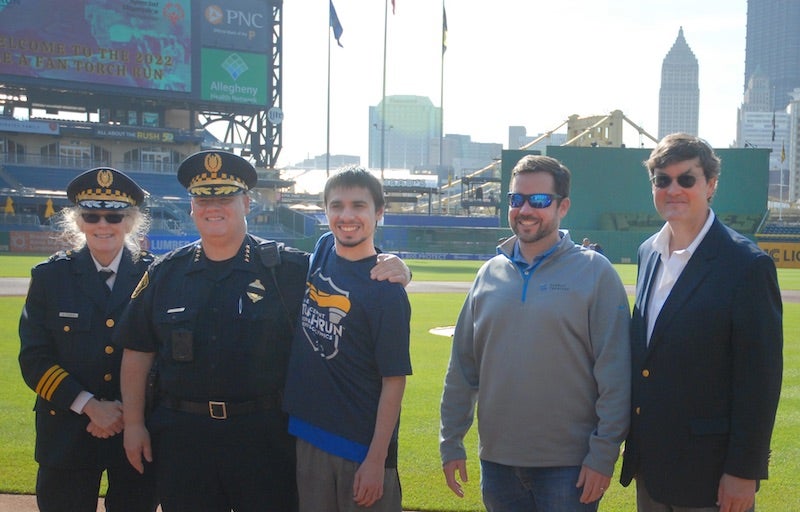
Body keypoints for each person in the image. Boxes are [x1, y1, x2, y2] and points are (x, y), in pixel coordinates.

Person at [114, 151, 410, 512]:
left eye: (225, 197)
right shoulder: (165, 274)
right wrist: (133, 424)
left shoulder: (286, 268)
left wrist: (397, 268)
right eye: (203, 199)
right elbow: (137, 352)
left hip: (265, 443)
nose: (213, 207)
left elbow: (352, 264)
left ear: (247, 203)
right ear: (191, 207)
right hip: (184, 440)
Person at [439, 154, 631, 512]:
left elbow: (616, 374)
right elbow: (463, 368)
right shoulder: (488, 274)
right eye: (516, 199)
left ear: (563, 206)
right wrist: (451, 441)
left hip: (568, 469)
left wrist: (603, 455)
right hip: (497, 463)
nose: (525, 209)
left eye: (539, 200)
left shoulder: (595, 272)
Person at [620, 133, 783, 511]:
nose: (673, 189)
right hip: (652, 469)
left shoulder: (746, 265)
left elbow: (760, 380)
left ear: (710, 185)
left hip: (710, 476)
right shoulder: (649, 253)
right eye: (662, 180)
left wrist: (744, 472)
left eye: (686, 179)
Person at [18, 167, 157, 512]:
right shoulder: (50, 277)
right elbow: (34, 359)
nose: (103, 224)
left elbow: (164, 355)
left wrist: (124, 414)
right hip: (66, 430)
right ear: (79, 222)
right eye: (92, 215)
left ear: (131, 220)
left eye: (114, 215)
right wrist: (91, 406)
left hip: (137, 432)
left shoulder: (156, 275)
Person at [282, 167, 412, 511]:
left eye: (359, 205)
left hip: (359, 449)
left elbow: (394, 381)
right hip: (308, 435)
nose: (347, 216)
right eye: (336, 206)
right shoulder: (324, 248)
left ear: (378, 212)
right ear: (325, 212)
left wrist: (376, 460)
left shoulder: (387, 292)